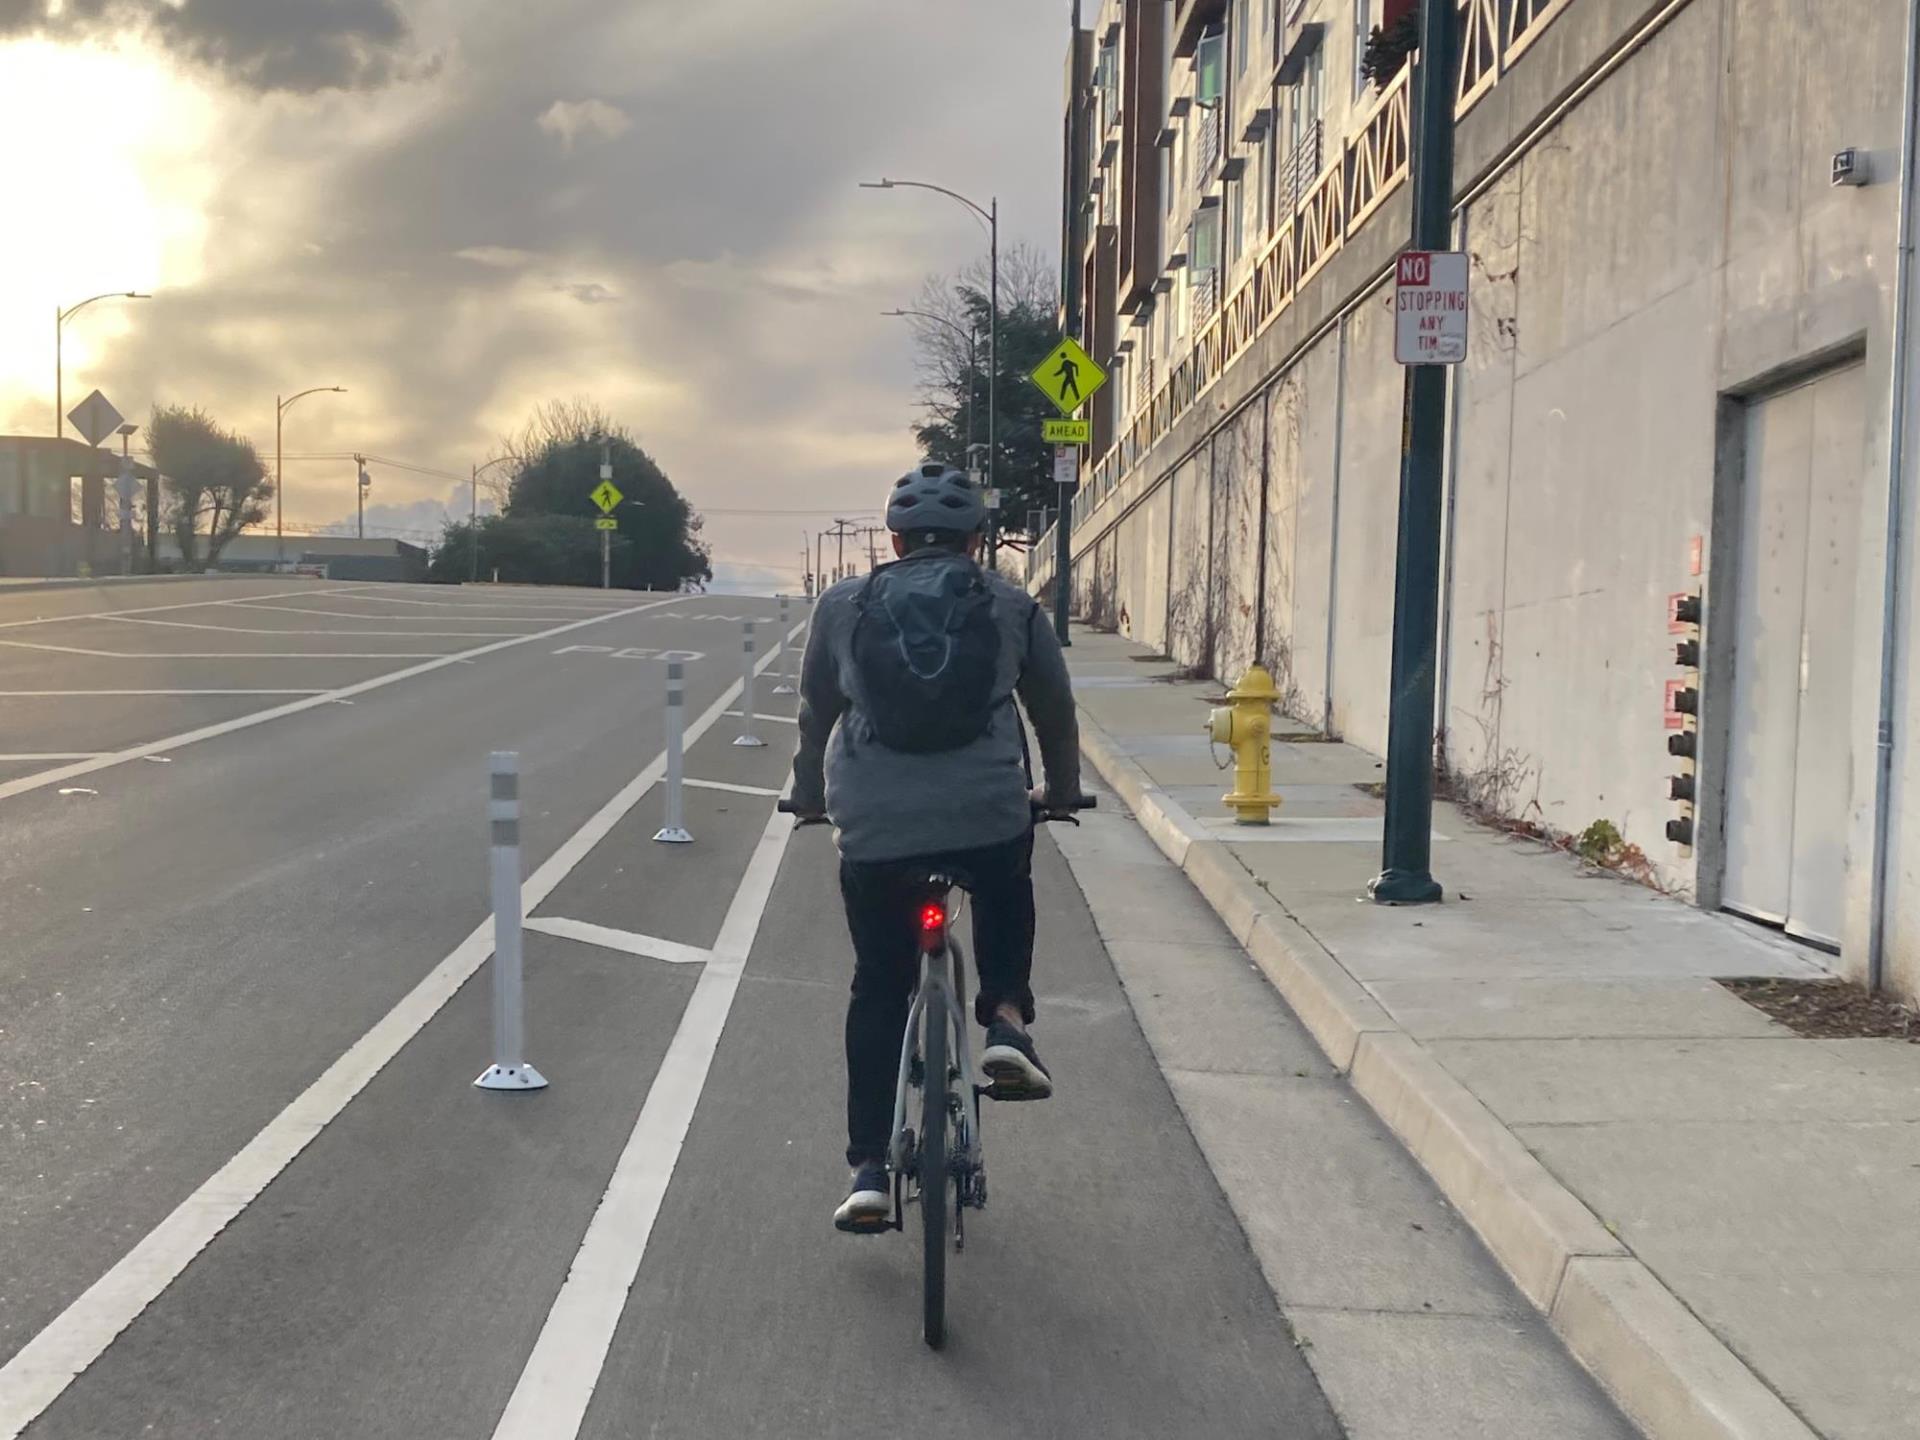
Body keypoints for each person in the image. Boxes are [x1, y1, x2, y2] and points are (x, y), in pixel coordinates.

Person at [788, 462, 1082, 1233]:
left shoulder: (844, 605)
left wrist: (810, 799)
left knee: (878, 985)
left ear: (893, 539)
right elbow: (1054, 712)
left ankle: (868, 1171)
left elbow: (817, 715)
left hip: (875, 826)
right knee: (1004, 872)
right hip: (984, 811)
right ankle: (1007, 1019)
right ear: (977, 541)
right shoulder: (1013, 604)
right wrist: (1062, 790)